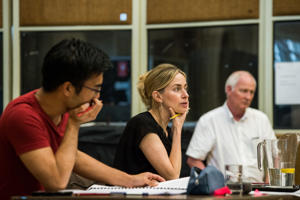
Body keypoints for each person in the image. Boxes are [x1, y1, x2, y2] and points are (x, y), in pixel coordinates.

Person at [0, 38, 164, 200]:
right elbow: (56, 182)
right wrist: (74, 124)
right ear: (68, 88)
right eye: (95, 89)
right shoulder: (23, 116)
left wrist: (129, 180)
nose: (98, 97)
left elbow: (72, 156)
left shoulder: (61, 108)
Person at [186, 71, 276, 183]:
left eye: (251, 92)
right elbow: (193, 160)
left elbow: (276, 155)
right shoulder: (209, 120)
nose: (248, 97)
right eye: (243, 91)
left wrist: (270, 184)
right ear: (229, 90)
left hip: (258, 191)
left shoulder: (261, 119)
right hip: (224, 191)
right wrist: (213, 184)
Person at [113, 64, 189, 180]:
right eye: (177, 89)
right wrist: (178, 129)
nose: (186, 95)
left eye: (185, 88)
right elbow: (172, 176)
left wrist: (175, 129)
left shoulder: (166, 130)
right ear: (158, 96)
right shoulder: (142, 124)